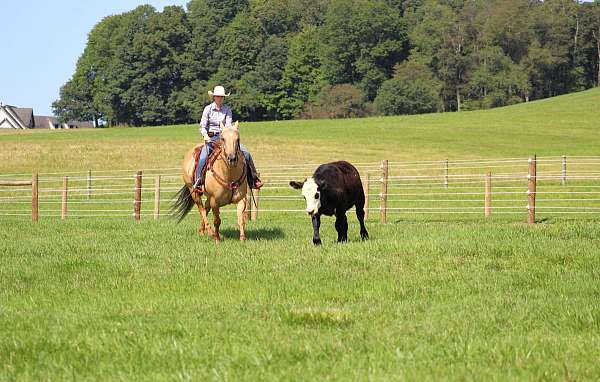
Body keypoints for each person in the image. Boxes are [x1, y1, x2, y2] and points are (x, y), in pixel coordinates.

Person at [193, 85, 263, 192]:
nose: (220, 98)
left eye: (221, 97)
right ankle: (198, 181)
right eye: (217, 96)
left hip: (225, 138)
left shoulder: (227, 109)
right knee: (203, 157)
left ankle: (253, 178)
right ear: (214, 97)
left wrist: (230, 134)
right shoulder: (208, 109)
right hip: (211, 138)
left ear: (224, 98)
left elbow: (229, 125)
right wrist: (206, 136)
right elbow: (202, 126)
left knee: (246, 153)